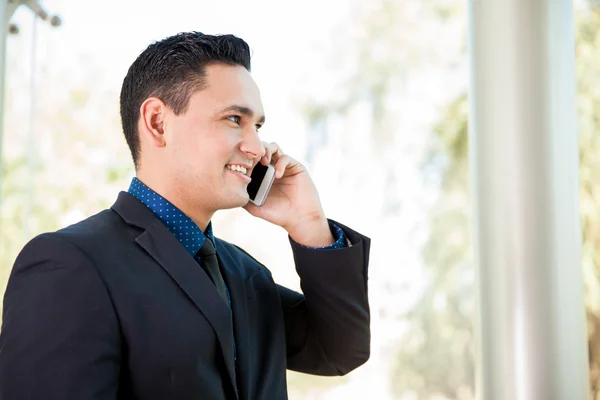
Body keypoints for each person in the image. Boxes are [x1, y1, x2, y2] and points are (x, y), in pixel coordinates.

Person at [0, 32, 371, 400]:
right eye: (233, 119)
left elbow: (340, 351)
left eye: (257, 126)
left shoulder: (248, 276)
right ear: (158, 122)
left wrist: (309, 225)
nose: (257, 147)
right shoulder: (68, 266)